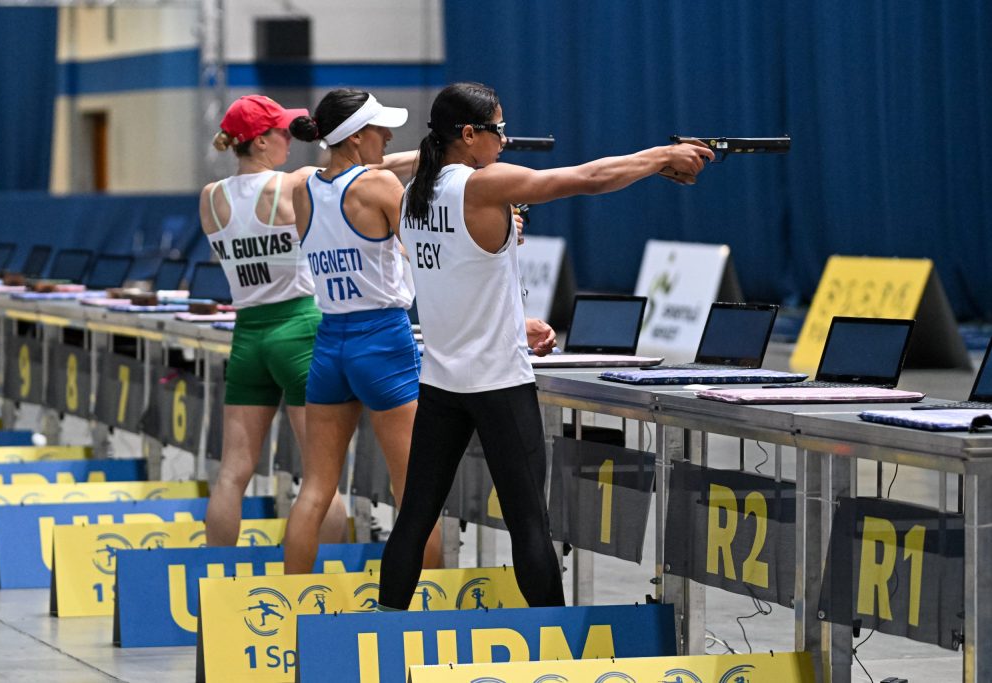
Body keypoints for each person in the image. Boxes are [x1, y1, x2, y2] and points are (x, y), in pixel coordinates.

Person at [378, 82, 713, 609]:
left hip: (441, 384)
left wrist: (517, 320)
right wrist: (661, 157)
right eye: (498, 129)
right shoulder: (482, 186)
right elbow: (587, 178)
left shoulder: (412, 191)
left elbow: (458, 275)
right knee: (529, 524)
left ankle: (380, 631)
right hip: (498, 385)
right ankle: (553, 644)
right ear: (468, 135)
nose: (505, 140)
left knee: (414, 519)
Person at [200, 94, 416, 547]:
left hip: (248, 334)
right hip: (299, 328)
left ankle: (214, 574)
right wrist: (431, 156)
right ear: (260, 142)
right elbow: (358, 171)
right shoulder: (293, 185)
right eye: (280, 132)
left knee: (232, 472)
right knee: (321, 478)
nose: (288, 139)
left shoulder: (210, 197)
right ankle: (327, 569)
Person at [281, 89, 443, 573]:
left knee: (315, 489)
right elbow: (427, 253)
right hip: (383, 342)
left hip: (330, 343)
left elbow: (344, 175)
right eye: (379, 128)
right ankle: (430, 605)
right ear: (355, 136)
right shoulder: (380, 187)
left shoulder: (302, 189)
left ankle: (290, 603)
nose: (388, 136)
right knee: (414, 492)